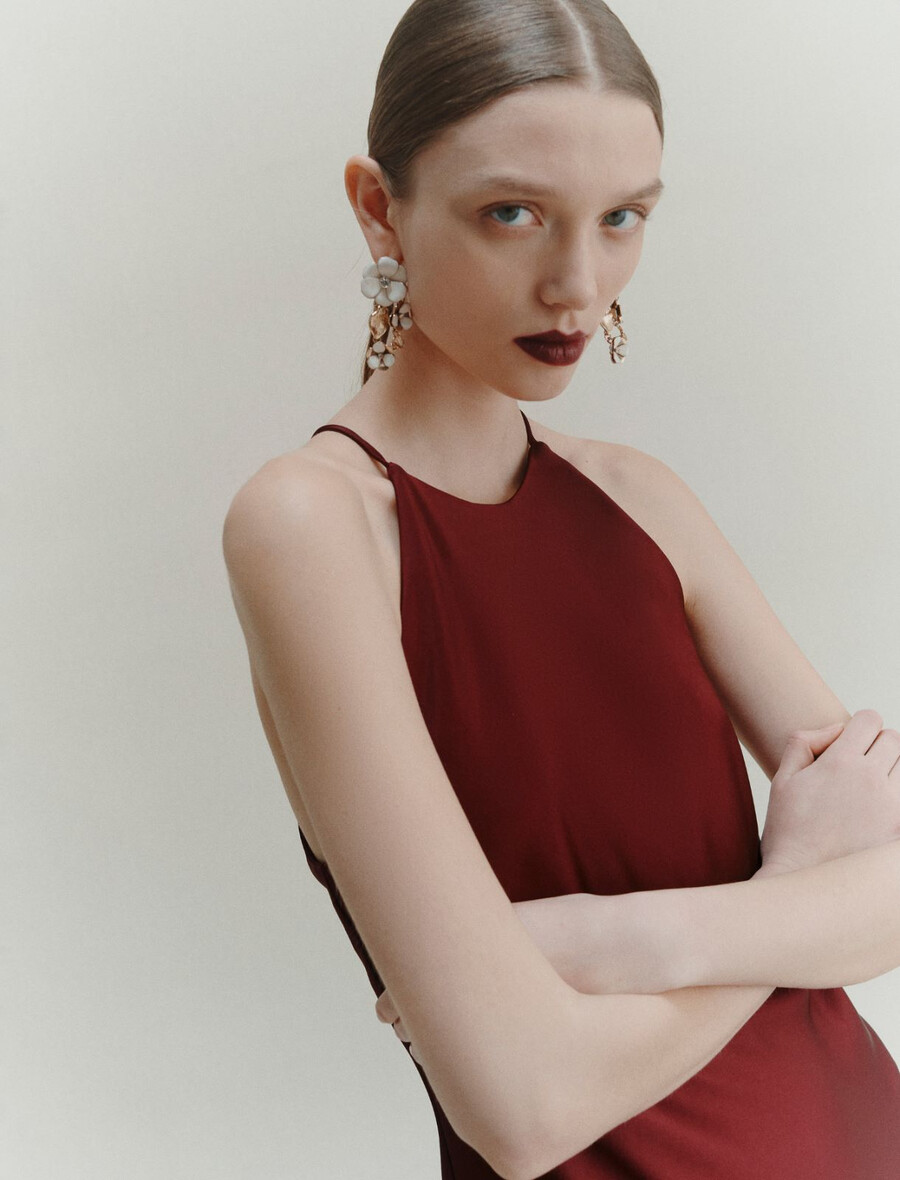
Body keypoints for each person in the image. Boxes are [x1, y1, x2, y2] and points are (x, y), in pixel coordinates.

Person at [221, 1, 900, 1175]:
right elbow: (525, 1108)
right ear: (380, 208)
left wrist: (610, 938)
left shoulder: (643, 499)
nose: (577, 284)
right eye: (513, 214)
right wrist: (796, 893)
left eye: (622, 217)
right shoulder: (310, 526)